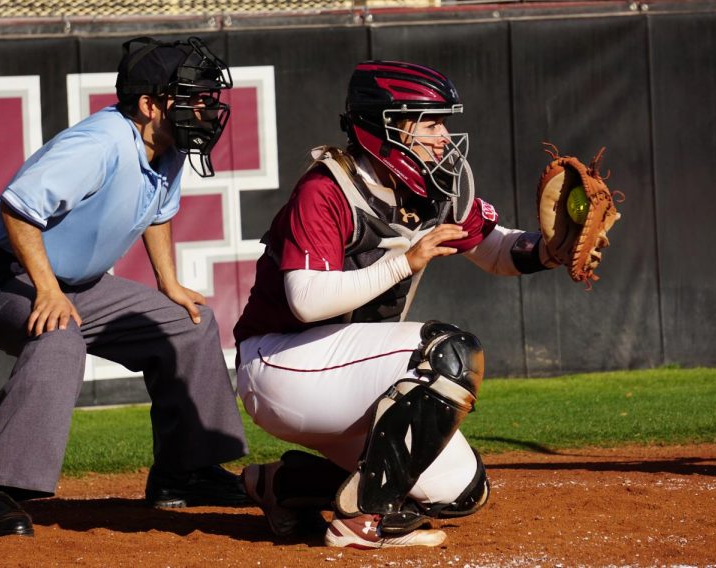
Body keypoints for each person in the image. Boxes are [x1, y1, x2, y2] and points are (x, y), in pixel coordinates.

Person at [0, 36, 249, 539]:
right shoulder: (98, 144)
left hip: (80, 284)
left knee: (188, 325)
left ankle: (185, 473)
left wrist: (169, 283)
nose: (205, 108)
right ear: (149, 104)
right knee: (58, 337)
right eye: (193, 96)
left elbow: (157, 214)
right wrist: (49, 291)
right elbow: (18, 208)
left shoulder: (167, 144)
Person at [233, 60, 560, 549]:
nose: (444, 136)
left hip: (349, 373)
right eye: (430, 122)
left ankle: (285, 485)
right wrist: (403, 262)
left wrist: (550, 251)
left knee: (460, 493)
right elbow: (305, 301)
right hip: (281, 362)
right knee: (448, 353)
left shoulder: (432, 186)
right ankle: (363, 518)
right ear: (385, 127)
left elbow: (494, 249)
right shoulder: (327, 189)